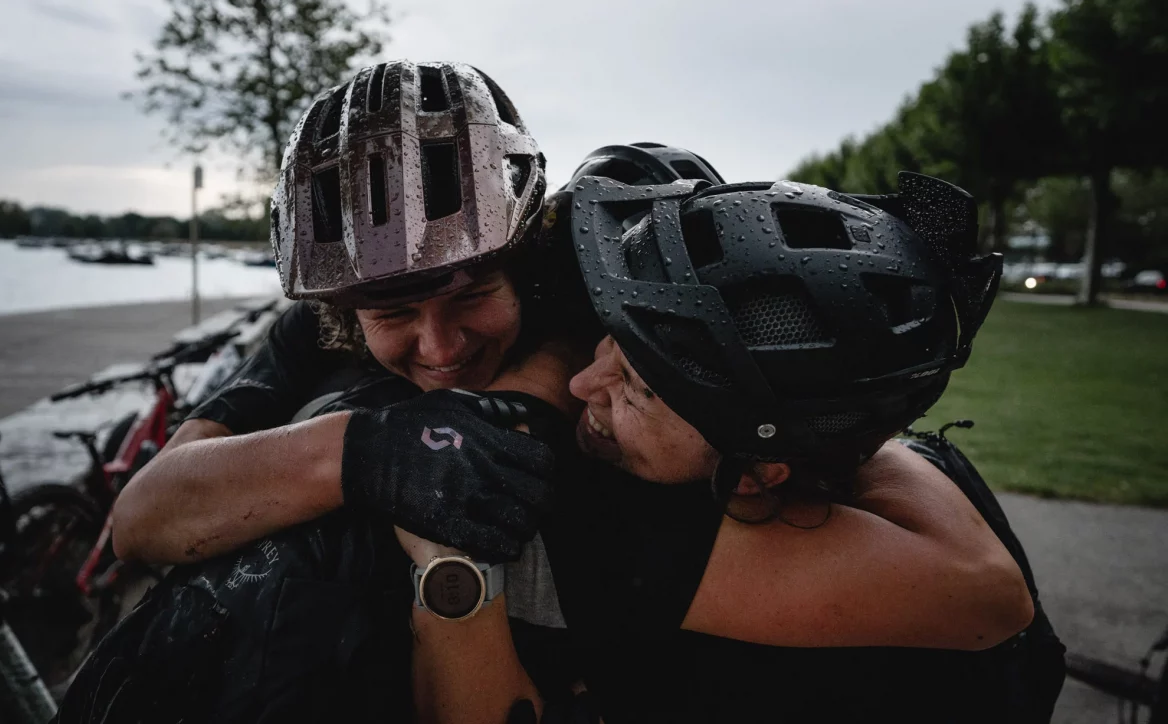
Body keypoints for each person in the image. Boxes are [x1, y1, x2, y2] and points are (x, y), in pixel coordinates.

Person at [100, 61, 1032, 721]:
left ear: (533, 267)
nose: (436, 344)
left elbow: (982, 597)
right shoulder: (327, 331)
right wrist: (363, 452)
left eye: (471, 294)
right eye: (390, 314)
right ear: (344, 308)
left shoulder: (626, 408)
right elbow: (146, 514)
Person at [397, 174, 1047, 723]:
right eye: (610, 342)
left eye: (638, 389)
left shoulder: (691, 570)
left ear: (759, 473)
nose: (581, 384)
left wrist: (445, 553)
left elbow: (987, 593)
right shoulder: (885, 468)